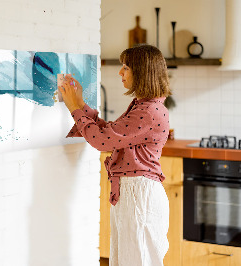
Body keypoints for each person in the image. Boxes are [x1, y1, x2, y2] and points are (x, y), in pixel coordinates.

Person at [59, 44, 171, 266]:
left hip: (139, 195)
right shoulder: (144, 106)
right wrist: (80, 103)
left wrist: (74, 108)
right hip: (134, 193)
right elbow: (110, 133)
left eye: (126, 67)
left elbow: (102, 141)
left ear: (142, 72)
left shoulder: (148, 111)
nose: (120, 72)